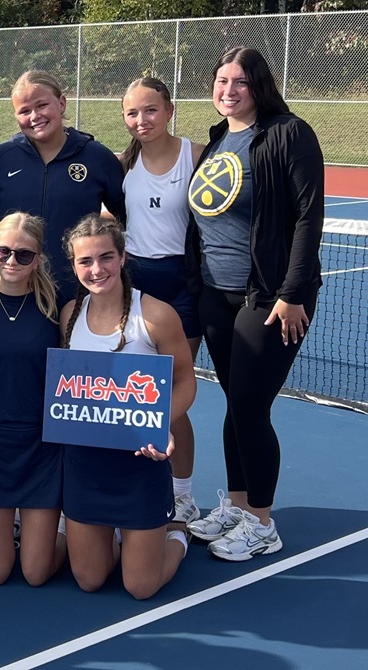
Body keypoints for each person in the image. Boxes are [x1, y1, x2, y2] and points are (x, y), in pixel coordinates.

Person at [185, 47, 324, 561]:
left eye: (239, 81)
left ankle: (262, 523)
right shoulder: (221, 137)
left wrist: (292, 294)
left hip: (265, 297)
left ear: (258, 85)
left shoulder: (289, 132)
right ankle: (239, 505)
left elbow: (310, 216)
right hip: (215, 295)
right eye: (221, 80)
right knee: (236, 405)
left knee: (249, 407)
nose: (228, 89)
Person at [59, 214, 195, 599]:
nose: (96, 269)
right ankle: (120, 535)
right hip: (86, 467)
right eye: (85, 261)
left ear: (122, 258)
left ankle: (177, 534)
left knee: (140, 587)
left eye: (105, 258)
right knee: (90, 579)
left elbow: (186, 381)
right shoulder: (69, 315)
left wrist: (161, 422)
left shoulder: (155, 315)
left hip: (140, 466)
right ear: (74, 265)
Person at [119, 76, 206, 527]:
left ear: (169, 110)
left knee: (171, 396)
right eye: (132, 113)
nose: (141, 120)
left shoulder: (197, 156)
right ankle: (136, 482)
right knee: (137, 390)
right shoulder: (122, 165)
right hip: (137, 283)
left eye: (150, 110)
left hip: (184, 285)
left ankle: (184, 493)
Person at [0, 213, 66, 585]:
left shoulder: (58, 309)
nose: (11, 261)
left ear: (38, 259)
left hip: (42, 447)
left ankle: (77, 536)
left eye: (24, 255)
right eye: (3, 251)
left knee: (36, 574)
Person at [0, 70, 125, 303]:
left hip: (77, 292)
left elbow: (123, 214)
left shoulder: (97, 157)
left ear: (61, 103)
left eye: (41, 105)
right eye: (25, 111)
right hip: (12, 292)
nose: (35, 116)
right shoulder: (0, 158)